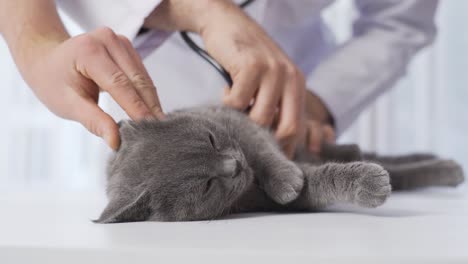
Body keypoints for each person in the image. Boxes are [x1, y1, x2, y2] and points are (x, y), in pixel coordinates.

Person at [0, 0, 438, 158]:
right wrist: (198, 8)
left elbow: (398, 23)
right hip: (152, 87)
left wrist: (316, 102)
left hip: (296, 119)